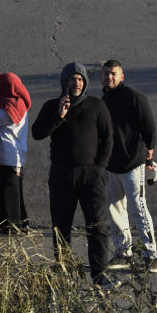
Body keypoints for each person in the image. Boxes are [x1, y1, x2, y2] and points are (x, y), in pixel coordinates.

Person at [32, 62, 114, 286]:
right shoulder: (52, 106)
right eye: (72, 79)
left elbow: (108, 139)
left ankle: (99, 273)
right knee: (61, 226)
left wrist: (100, 169)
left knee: (97, 226)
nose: (76, 82)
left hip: (92, 176)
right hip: (61, 175)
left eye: (80, 79)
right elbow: (37, 133)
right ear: (64, 82)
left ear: (85, 82)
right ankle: (63, 272)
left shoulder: (97, 105)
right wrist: (58, 116)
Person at [101, 60, 157, 272]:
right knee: (115, 209)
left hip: (133, 164)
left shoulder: (134, 97)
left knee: (138, 208)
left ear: (122, 76)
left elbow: (149, 127)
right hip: (111, 165)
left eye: (113, 73)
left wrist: (149, 153)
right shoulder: (103, 100)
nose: (109, 77)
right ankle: (123, 252)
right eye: (106, 73)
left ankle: (150, 255)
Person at [0, 72, 31, 234]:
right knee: (13, 191)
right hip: (12, 153)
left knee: (8, 192)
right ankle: (21, 222)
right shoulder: (19, 102)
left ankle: (11, 225)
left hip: (8, 153)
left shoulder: (10, 105)